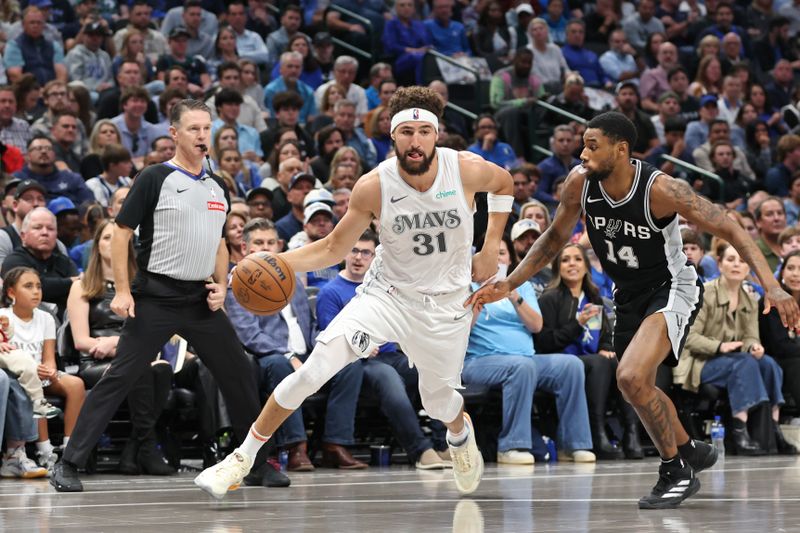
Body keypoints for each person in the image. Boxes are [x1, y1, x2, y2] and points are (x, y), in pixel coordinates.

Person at [194, 86, 514, 499]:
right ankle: (242, 458)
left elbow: (504, 183)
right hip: (387, 296)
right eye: (405, 132)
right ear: (392, 136)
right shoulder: (373, 185)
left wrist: (489, 247)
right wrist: (275, 263)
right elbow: (332, 248)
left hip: (445, 304)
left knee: (438, 402)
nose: (414, 141)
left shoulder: (466, 169)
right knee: (312, 371)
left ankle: (458, 435)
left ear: (435, 135)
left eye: (423, 132)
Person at [469, 111, 800, 509]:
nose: (583, 152)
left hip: (671, 287)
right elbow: (555, 236)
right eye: (583, 143)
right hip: (626, 293)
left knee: (630, 375)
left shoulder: (661, 190)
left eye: (593, 144)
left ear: (621, 149)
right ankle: (687, 446)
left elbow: (730, 228)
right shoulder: (579, 183)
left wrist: (773, 286)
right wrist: (511, 281)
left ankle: (676, 469)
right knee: (634, 386)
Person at [49, 99, 290, 492]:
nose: (201, 135)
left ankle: (257, 463)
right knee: (121, 377)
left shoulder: (218, 185)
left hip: (199, 301)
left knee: (241, 374)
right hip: (155, 296)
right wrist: (124, 291)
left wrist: (222, 287)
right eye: (193, 128)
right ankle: (68, 462)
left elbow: (219, 244)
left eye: (205, 128)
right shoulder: (155, 177)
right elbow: (123, 233)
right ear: (175, 134)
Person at [463, 234, 595, 464]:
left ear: (509, 260)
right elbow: (461, 331)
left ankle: (572, 445)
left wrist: (514, 297)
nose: (496, 260)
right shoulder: (467, 286)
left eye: (501, 254)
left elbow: (536, 326)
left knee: (571, 366)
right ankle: (511, 445)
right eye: (490, 255)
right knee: (521, 367)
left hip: (525, 359)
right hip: (480, 361)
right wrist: (479, 299)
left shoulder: (521, 286)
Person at [676, 243, 795, 455]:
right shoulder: (705, 294)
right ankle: (740, 431)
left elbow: (750, 336)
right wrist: (720, 346)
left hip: (735, 360)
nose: (736, 265)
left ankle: (773, 429)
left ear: (748, 268)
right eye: (730, 260)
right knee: (745, 363)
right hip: (700, 361)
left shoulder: (750, 298)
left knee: (768, 363)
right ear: (719, 264)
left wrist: (754, 346)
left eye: (741, 261)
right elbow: (688, 338)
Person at [537, 243, 643, 460]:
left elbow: (606, 332)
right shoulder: (549, 298)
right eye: (565, 260)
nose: (572, 264)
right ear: (558, 267)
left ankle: (631, 433)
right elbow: (545, 342)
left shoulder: (594, 297)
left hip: (593, 359)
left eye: (577, 259)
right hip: (563, 360)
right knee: (600, 363)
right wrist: (578, 323)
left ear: (586, 266)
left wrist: (606, 347)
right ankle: (597, 432)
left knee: (619, 363)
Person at [0, 269, 63, 419]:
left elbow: (49, 358)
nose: (36, 291)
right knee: (22, 359)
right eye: (28, 286)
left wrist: (49, 371)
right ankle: (38, 403)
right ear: (11, 293)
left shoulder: (46, 318)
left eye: (38, 286)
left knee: (76, 385)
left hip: (37, 371)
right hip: (11, 364)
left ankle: (70, 441)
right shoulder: (3, 313)